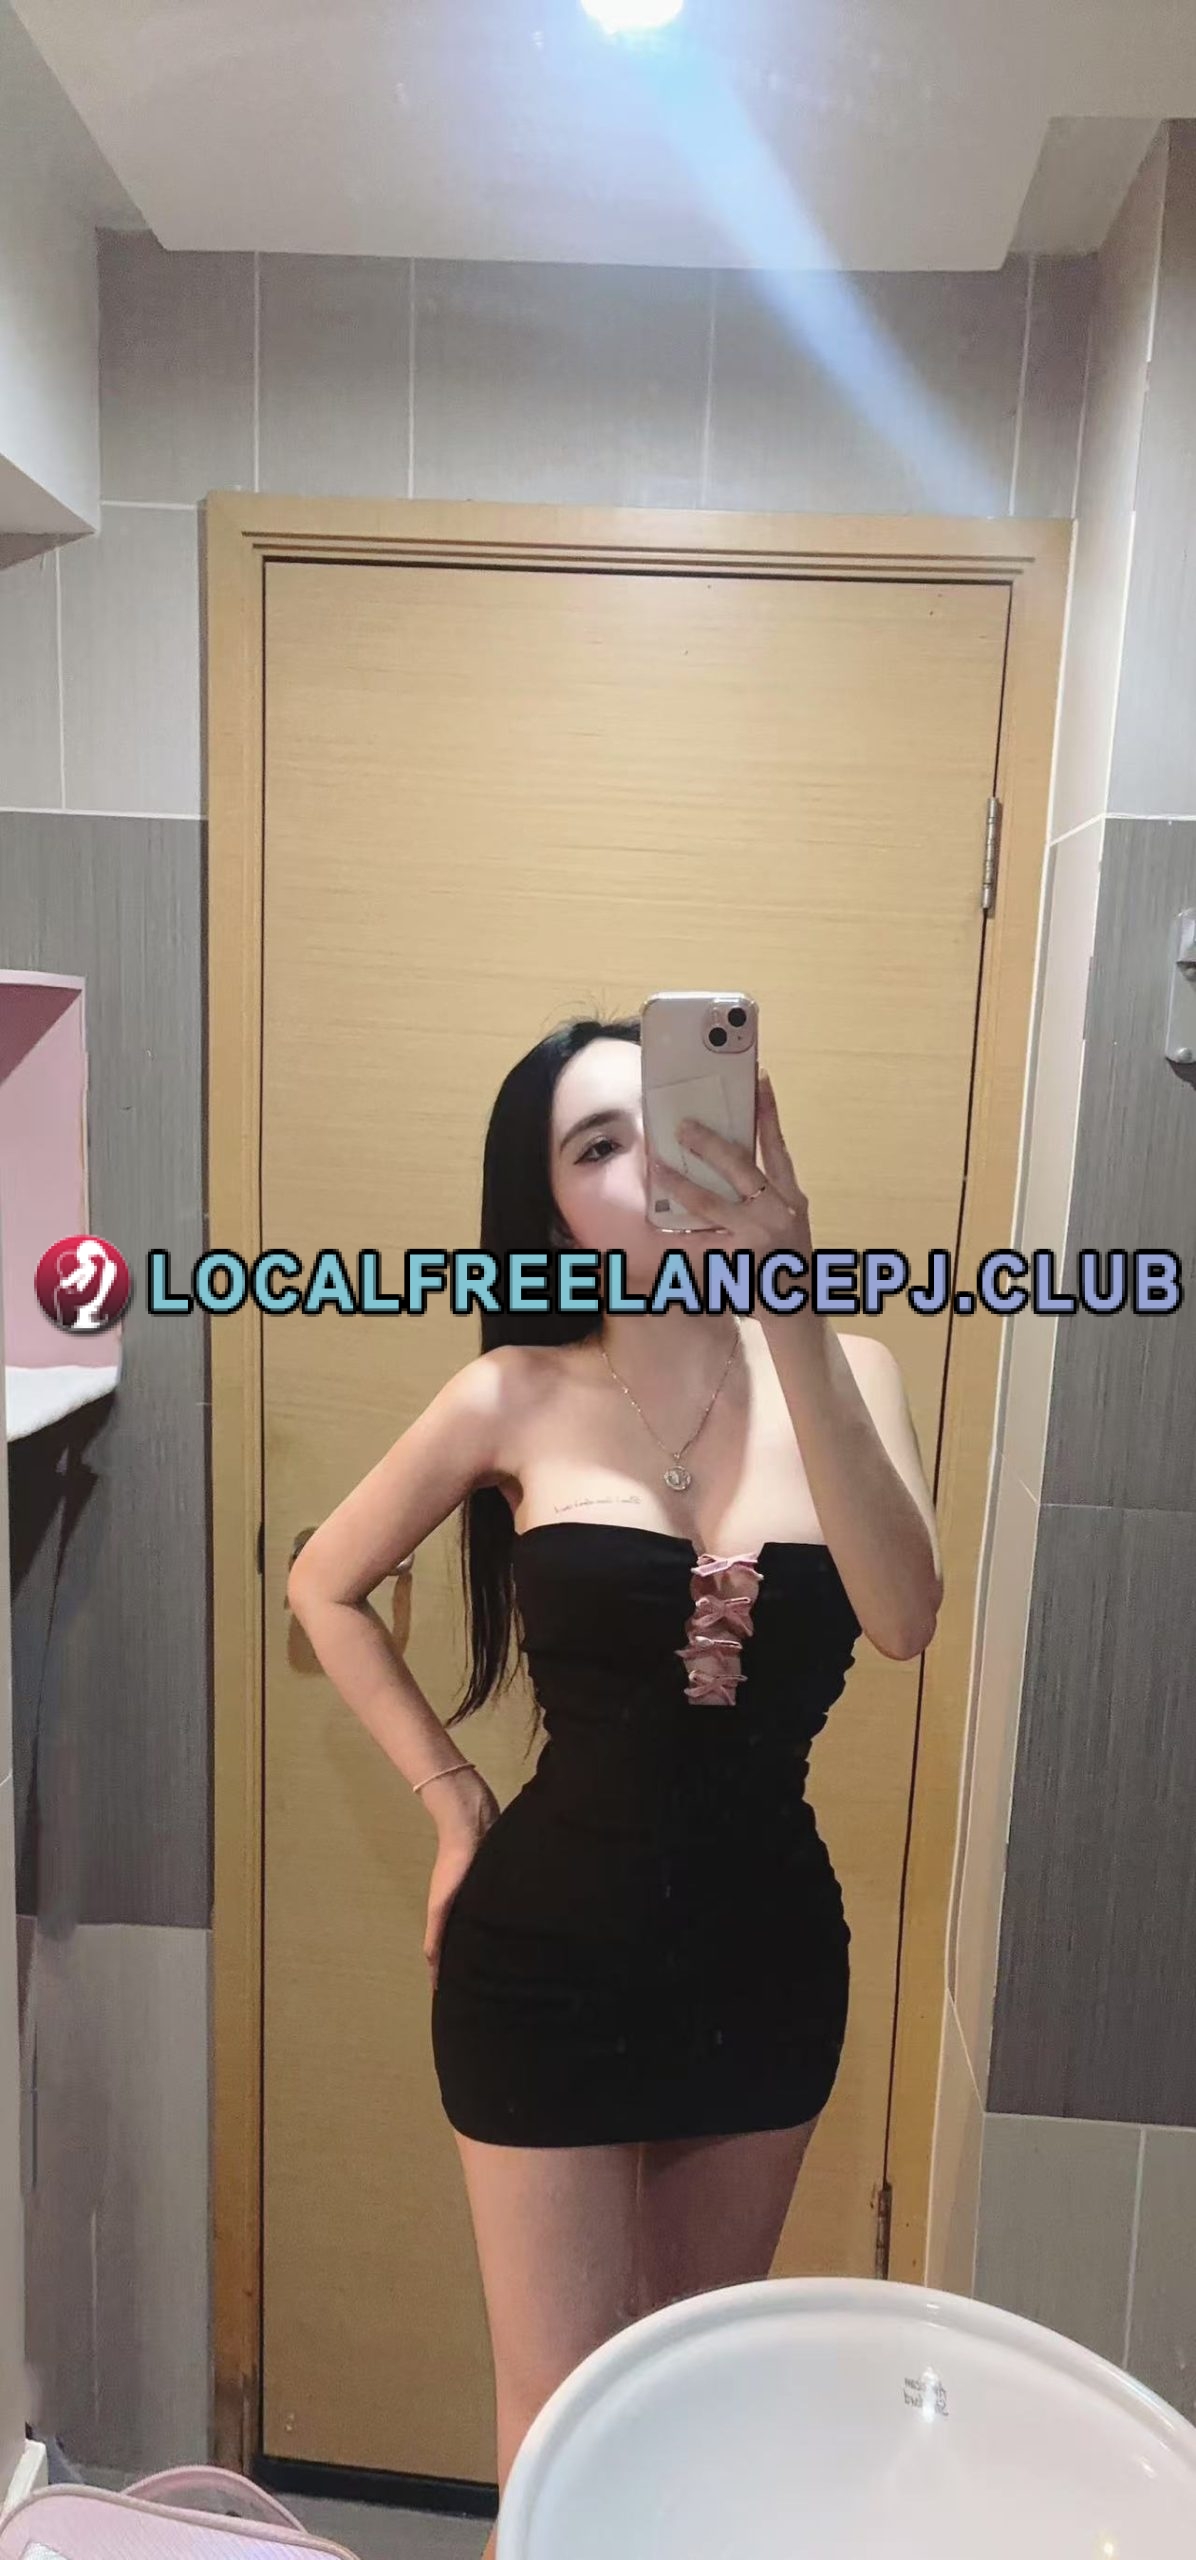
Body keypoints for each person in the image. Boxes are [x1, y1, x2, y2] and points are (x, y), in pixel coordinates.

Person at [287, 1013, 943, 2557]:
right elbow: (324, 1584)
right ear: (554, 1209)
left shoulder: (851, 1366)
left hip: (766, 1965)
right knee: (560, 2415)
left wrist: (790, 1301)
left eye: (667, 1115)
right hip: (543, 1969)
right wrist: (453, 1798)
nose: (647, 1160)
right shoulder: (512, 1394)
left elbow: (905, 1615)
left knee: (695, 2407)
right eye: (597, 1144)